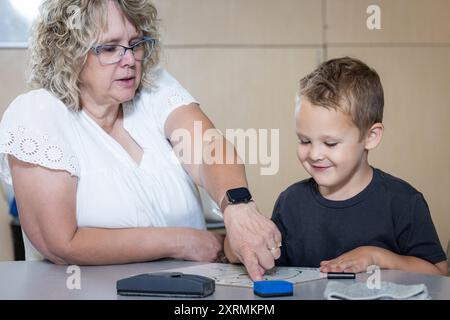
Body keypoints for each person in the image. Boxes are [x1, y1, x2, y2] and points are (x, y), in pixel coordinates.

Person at [0, 0, 281, 280]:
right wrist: (184, 242)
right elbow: (61, 244)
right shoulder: (38, 112)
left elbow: (208, 146)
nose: (130, 59)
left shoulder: (153, 88)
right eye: (110, 48)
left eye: (136, 44)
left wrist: (238, 207)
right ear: (69, 54)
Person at [226, 57, 448, 276]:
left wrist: (377, 257)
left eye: (330, 143)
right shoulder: (291, 202)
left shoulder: (403, 202)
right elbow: (267, 264)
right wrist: (237, 241)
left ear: (370, 136)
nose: (314, 154)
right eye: (304, 141)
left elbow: (438, 273)